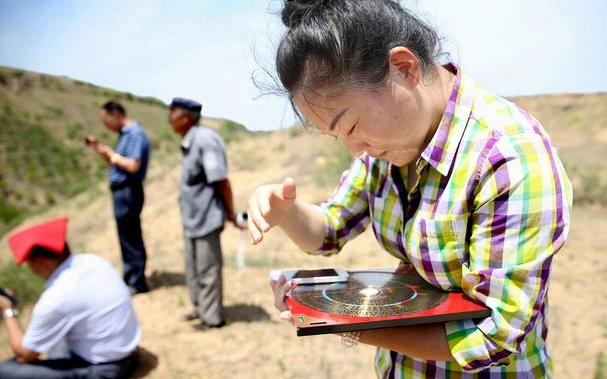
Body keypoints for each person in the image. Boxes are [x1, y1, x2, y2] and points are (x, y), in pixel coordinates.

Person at [247, 0, 573, 376]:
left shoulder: (508, 159)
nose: (355, 149)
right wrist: (287, 212)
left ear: (404, 68)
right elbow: (330, 229)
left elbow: (492, 336)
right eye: (336, 137)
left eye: (350, 126)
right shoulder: (385, 148)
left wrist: (334, 319)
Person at [0, 216, 141, 379]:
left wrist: (7, 309)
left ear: (40, 262)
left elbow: (24, 355)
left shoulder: (57, 297)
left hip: (104, 371)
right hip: (128, 352)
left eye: (29, 264)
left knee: (6, 371)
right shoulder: (93, 261)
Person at [169, 97, 242, 330]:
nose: (169, 119)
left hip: (206, 217)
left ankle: (212, 319)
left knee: (208, 269)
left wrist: (230, 213)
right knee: (193, 268)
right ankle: (200, 308)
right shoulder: (190, 140)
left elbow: (221, 181)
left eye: (173, 113)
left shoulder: (205, 140)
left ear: (186, 117)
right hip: (192, 217)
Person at [86, 100, 151, 295]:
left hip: (128, 190)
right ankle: (130, 276)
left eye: (106, 120)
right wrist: (102, 150)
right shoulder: (125, 135)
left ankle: (137, 280)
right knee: (125, 236)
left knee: (131, 236)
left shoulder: (135, 133)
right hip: (122, 190)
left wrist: (112, 155)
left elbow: (132, 166)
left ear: (115, 113)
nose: (106, 125)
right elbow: (117, 162)